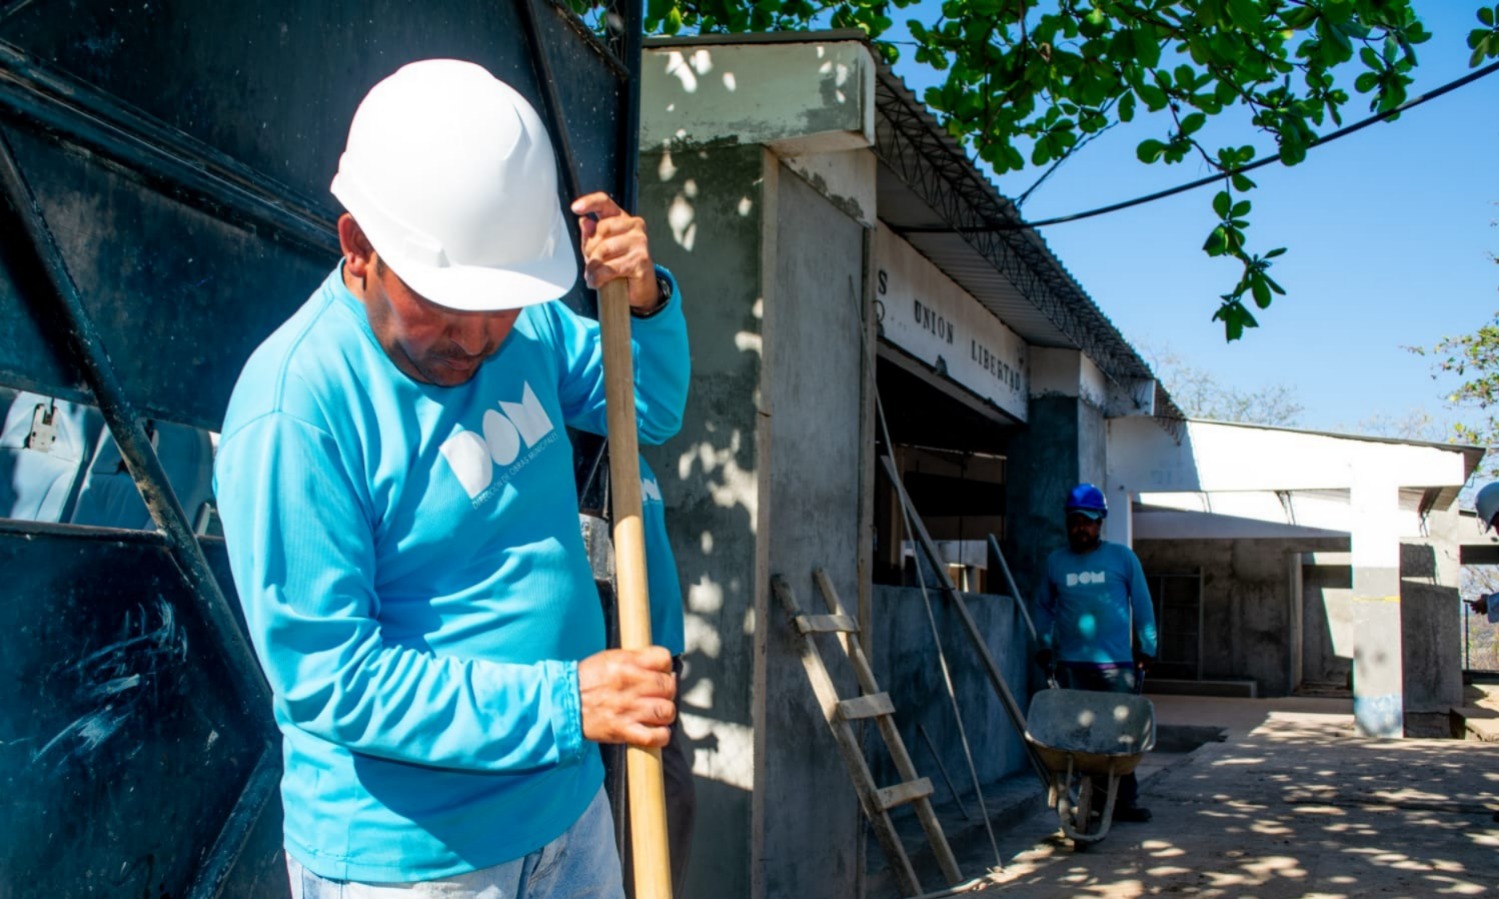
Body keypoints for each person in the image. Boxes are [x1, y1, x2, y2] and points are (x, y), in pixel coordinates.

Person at [213, 59, 689, 898]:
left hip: (569, 811)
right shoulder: (298, 410)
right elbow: (333, 677)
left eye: (497, 304)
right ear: (357, 247)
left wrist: (643, 302)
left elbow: (644, 409)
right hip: (416, 864)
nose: (476, 339)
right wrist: (563, 703)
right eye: (441, 302)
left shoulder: (523, 322)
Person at [1032, 482, 1158, 823]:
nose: (1080, 528)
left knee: (1118, 736)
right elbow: (1043, 606)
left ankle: (1123, 802)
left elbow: (1142, 604)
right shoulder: (1057, 562)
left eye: (1087, 521)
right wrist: (1044, 643)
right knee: (1078, 737)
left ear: (1100, 521)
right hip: (1071, 665)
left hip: (1115, 666)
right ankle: (1081, 799)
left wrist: (1147, 646)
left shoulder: (1122, 558)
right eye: (1075, 521)